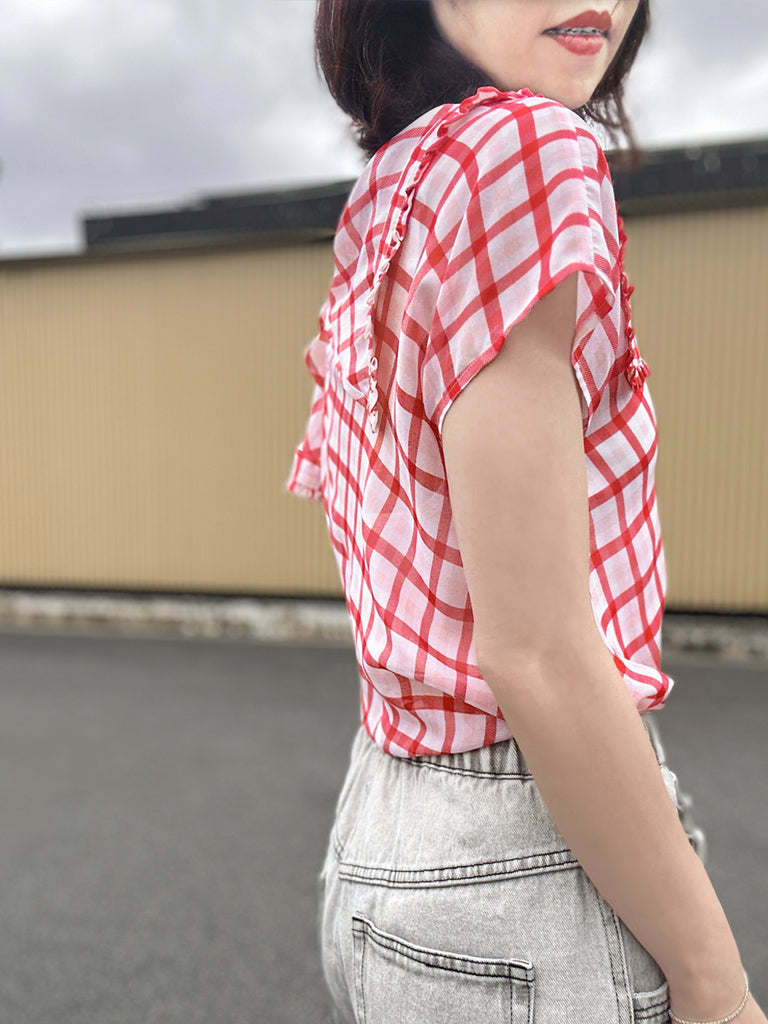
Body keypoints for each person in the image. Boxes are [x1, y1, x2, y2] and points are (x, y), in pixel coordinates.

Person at [287, 2, 767, 1021]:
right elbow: (538, 652)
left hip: (386, 825)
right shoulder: (527, 150)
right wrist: (720, 993)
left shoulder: (399, 181)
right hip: (522, 859)